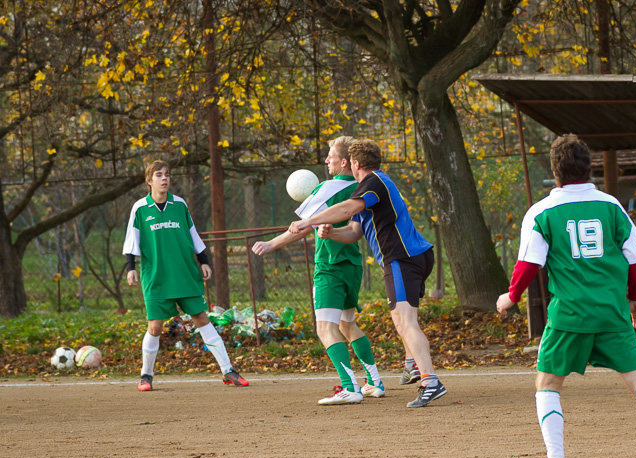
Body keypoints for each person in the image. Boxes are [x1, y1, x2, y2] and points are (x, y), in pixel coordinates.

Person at [497, 134, 636, 458]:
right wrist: (635, 297)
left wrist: (511, 296)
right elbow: (635, 259)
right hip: (611, 311)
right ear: (588, 168)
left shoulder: (542, 211)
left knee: (547, 384)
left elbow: (529, 264)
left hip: (570, 315)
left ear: (554, 171)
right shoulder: (610, 205)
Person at [289, 139, 445, 408]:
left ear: (356, 164)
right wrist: (332, 232)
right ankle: (414, 365)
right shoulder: (371, 188)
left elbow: (348, 209)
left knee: (405, 322)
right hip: (411, 255)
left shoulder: (373, 183)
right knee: (403, 320)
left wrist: (310, 220)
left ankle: (430, 381)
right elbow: (353, 231)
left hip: (401, 258)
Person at [252, 136, 385, 405]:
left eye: (330, 156)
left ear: (345, 162)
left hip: (330, 266)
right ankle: (374, 382)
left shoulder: (328, 188)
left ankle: (350, 388)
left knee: (325, 328)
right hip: (352, 264)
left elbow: (303, 226)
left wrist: (271, 244)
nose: (326, 160)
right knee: (347, 325)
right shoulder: (362, 187)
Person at [123, 160, 249, 391]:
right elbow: (133, 240)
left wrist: (204, 261)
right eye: (159, 175)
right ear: (149, 181)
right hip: (156, 277)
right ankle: (146, 375)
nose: (164, 178)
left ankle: (228, 370)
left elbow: (193, 235)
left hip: (184, 274)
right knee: (155, 327)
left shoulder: (179, 205)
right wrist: (131, 267)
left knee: (202, 318)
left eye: (167, 175)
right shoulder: (140, 208)